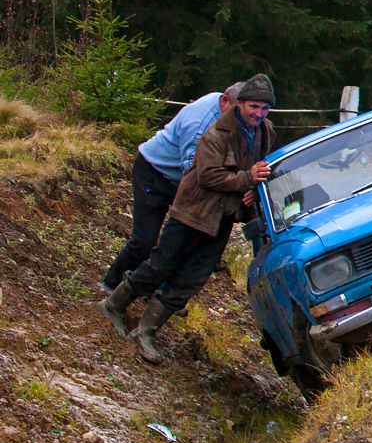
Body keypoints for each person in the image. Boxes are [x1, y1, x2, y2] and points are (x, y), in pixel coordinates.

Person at [99, 74, 277, 364]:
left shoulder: (265, 132)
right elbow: (207, 176)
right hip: (192, 211)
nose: (258, 114)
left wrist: (251, 192)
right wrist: (247, 178)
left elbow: (259, 172)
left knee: (192, 278)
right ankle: (112, 305)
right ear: (240, 104)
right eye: (254, 106)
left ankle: (145, 332)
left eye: (264, 109)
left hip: (222, 217)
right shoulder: (215, 132)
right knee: (160, 265)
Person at [101, 82, 244, 293]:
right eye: (237, 112)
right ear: (225, 101)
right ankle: (110, 283)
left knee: (179, 240)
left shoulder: (226, 111)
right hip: (154, 173)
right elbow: (193, 170)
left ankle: (153, 287)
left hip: (179, 178)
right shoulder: (200, 124)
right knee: (145, 239)